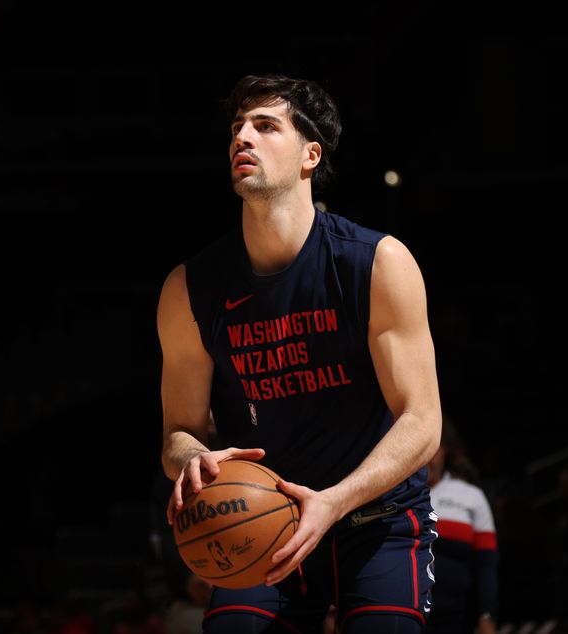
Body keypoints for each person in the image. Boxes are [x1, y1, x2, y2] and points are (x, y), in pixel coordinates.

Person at [157, 74, 442, 633]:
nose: (244, 136)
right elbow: (178, 431)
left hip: (376, 518)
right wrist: (191, 459)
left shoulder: (377, 263)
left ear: (311, 155)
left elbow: (424, 423)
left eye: (266, 126)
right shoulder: (188, 289)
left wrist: (334, 501)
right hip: (262, 521)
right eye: (238, 127)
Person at [425, 414, 499, 634]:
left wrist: (487, 616)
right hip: (406, 618)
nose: (428, 455)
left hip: (458, 621)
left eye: (435, 447)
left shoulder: (471, 497)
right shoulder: (392, 497)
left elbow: (487, 565)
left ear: (445, 450)